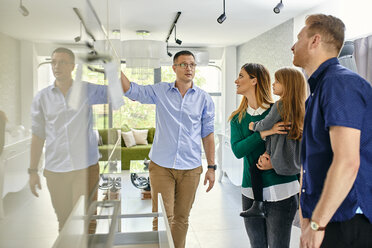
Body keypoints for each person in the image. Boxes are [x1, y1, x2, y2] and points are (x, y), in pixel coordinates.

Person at [120, 50, 216, 248]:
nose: (188, 68)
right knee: (162, 217)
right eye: (183, 64)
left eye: (192, 64)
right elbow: (131, 90)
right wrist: (113, 68)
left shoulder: (204, 99)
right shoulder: (160, 91)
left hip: (191, 168)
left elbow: (207, 135)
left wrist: (212, 167)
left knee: (181, 218)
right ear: (174, 68)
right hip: (161, 166)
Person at [292, 14, 372, 248]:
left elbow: (347, 162)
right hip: (331, 218)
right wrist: (308, 217)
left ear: (315, 41)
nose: (293, 46)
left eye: (298, 39)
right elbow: (313, 163)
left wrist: (317, 224)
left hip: (348, 221)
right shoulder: (319, 91)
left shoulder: (339, 83)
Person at [29, 47, 108, 232]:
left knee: (88, 220)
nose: (57, 66)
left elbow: (116, 93)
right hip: (56, 169)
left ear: (72, 66)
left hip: (86, 166)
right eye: (54, 62)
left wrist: (106, 67)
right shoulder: (42, 98)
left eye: (62, 62)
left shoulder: (86, 90)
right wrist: (32, 171)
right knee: (64, 222)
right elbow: (38, 135)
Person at [229, 63, 299, 248]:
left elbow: (294, 148)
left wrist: (274, 164)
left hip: (283, 188)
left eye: (241, 76)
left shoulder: (280, 110)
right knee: (257, 245)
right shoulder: (237, 119)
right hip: (250, 191)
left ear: (254, 80)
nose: (236, 80)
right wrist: (263, 133)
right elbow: (238, 151)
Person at [240, 67, 306, 218]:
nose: (273, 84)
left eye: (277, 82)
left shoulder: (279, 105)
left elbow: (266, 124)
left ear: (287, 85)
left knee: (254, 169)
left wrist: (253, 126)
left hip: (277, 158)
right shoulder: (302, 106)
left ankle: (257, 205)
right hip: (295, 162)